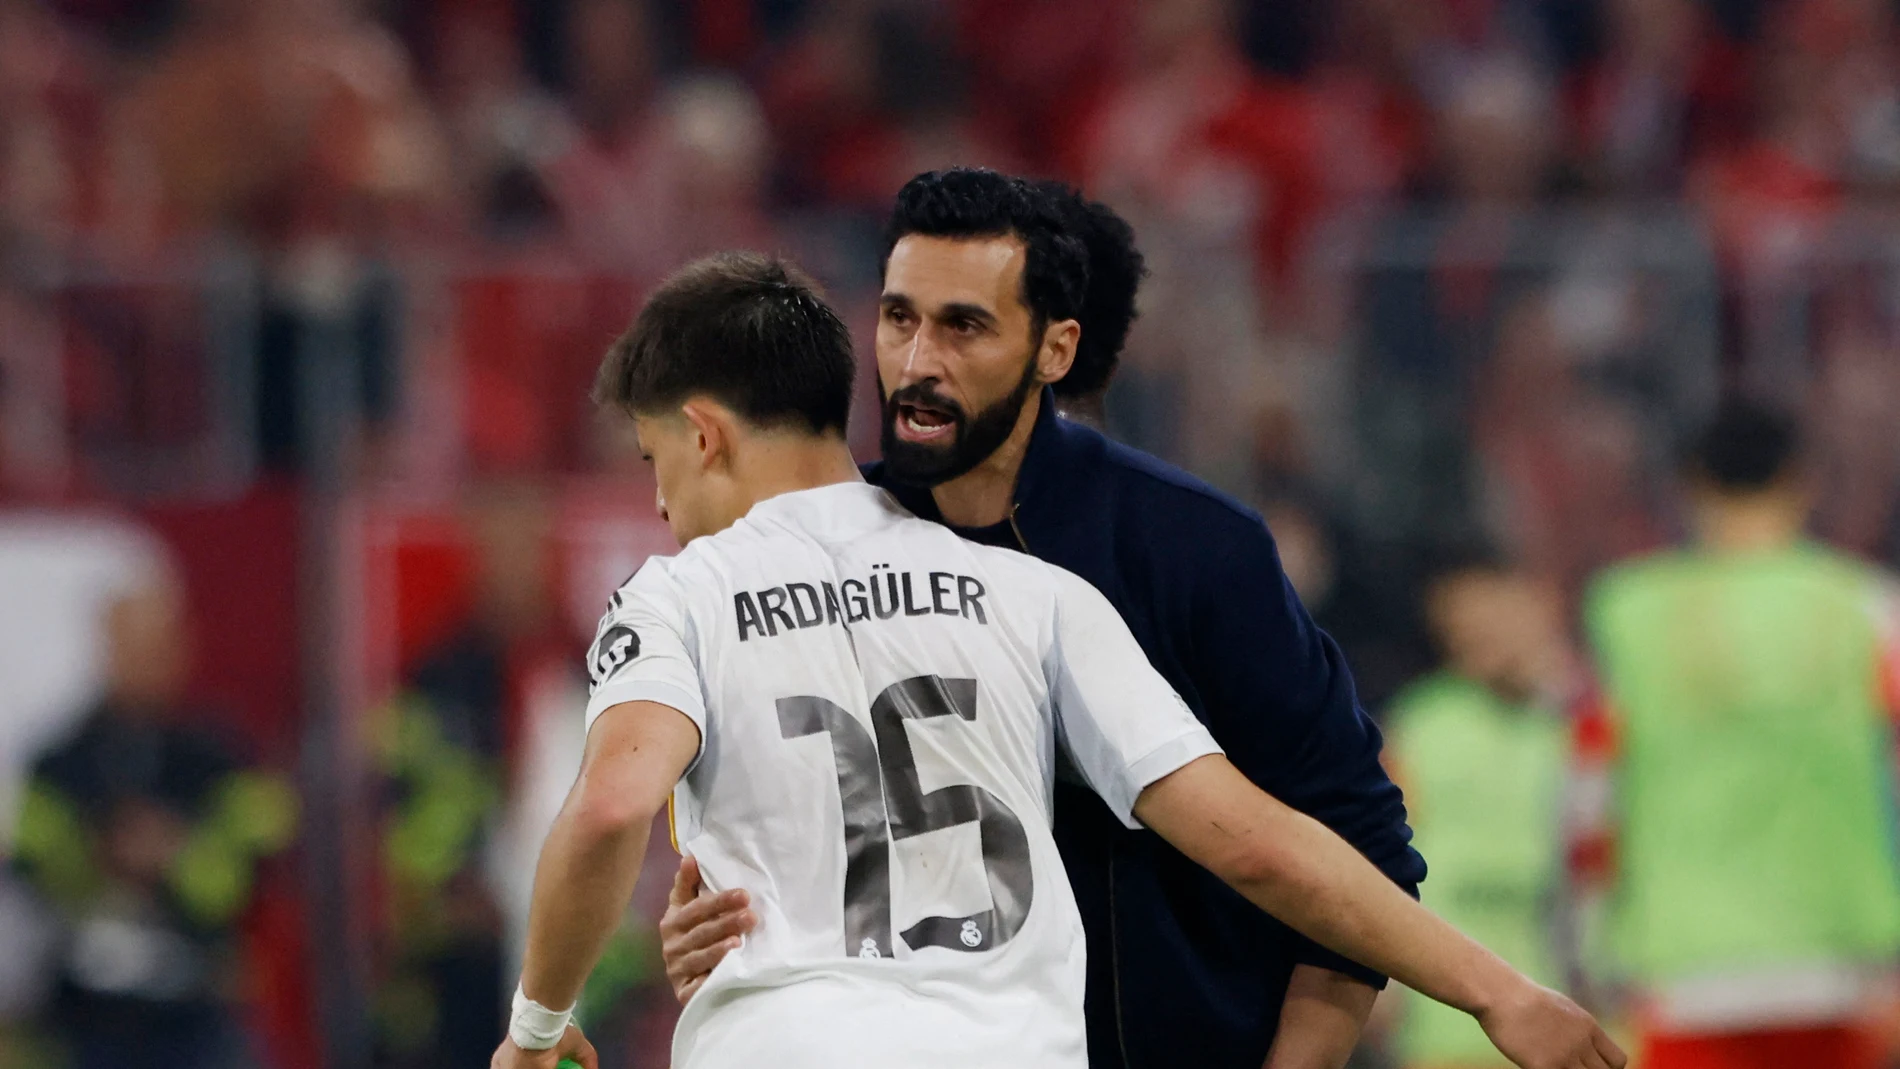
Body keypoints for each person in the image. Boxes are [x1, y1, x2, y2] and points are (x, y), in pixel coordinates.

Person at [489, 251, 1623, 1069]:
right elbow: (1259, 843)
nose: (657, 503)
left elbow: (608, 809)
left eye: (652, 461)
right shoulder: (1028, 594)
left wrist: (536, 1032)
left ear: (703, 433)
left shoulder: (678, 594)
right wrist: (1499, 991)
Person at [660, 167, 1426, 1069]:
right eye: (899, 318)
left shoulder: (1195, 551)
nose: (916, 362)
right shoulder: (816, 552)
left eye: (963, 326)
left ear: (1054, 350)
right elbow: (785, 832)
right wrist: (718, 916)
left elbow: (1360, 841)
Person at [1575, 400, 1900, 1069]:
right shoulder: (1867, 606)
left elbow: (1589, 790)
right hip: (1841, 967)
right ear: (1804, 478)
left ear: (1689, 484)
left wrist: (1584, 945)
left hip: (1682, 966)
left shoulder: (1626, 610)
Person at [11, 567, 297, 1069]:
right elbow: (34, 869)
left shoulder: (220, 754)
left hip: (197, 1015)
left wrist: (174, 856)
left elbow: (251, 870)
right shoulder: (60, 760)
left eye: (157, 643)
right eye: (129, 643)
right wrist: (100, 853)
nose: (145, 660)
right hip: (88, 1019)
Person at [1384, 547, 1584, 1069]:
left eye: (1489, 616)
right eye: (1457, 625)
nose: (1473, 635)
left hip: (1566, 1014)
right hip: (1447, 1026)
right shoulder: (1422, 723)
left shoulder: (1576, 726)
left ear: (1538, 608)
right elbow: (1373, 858)